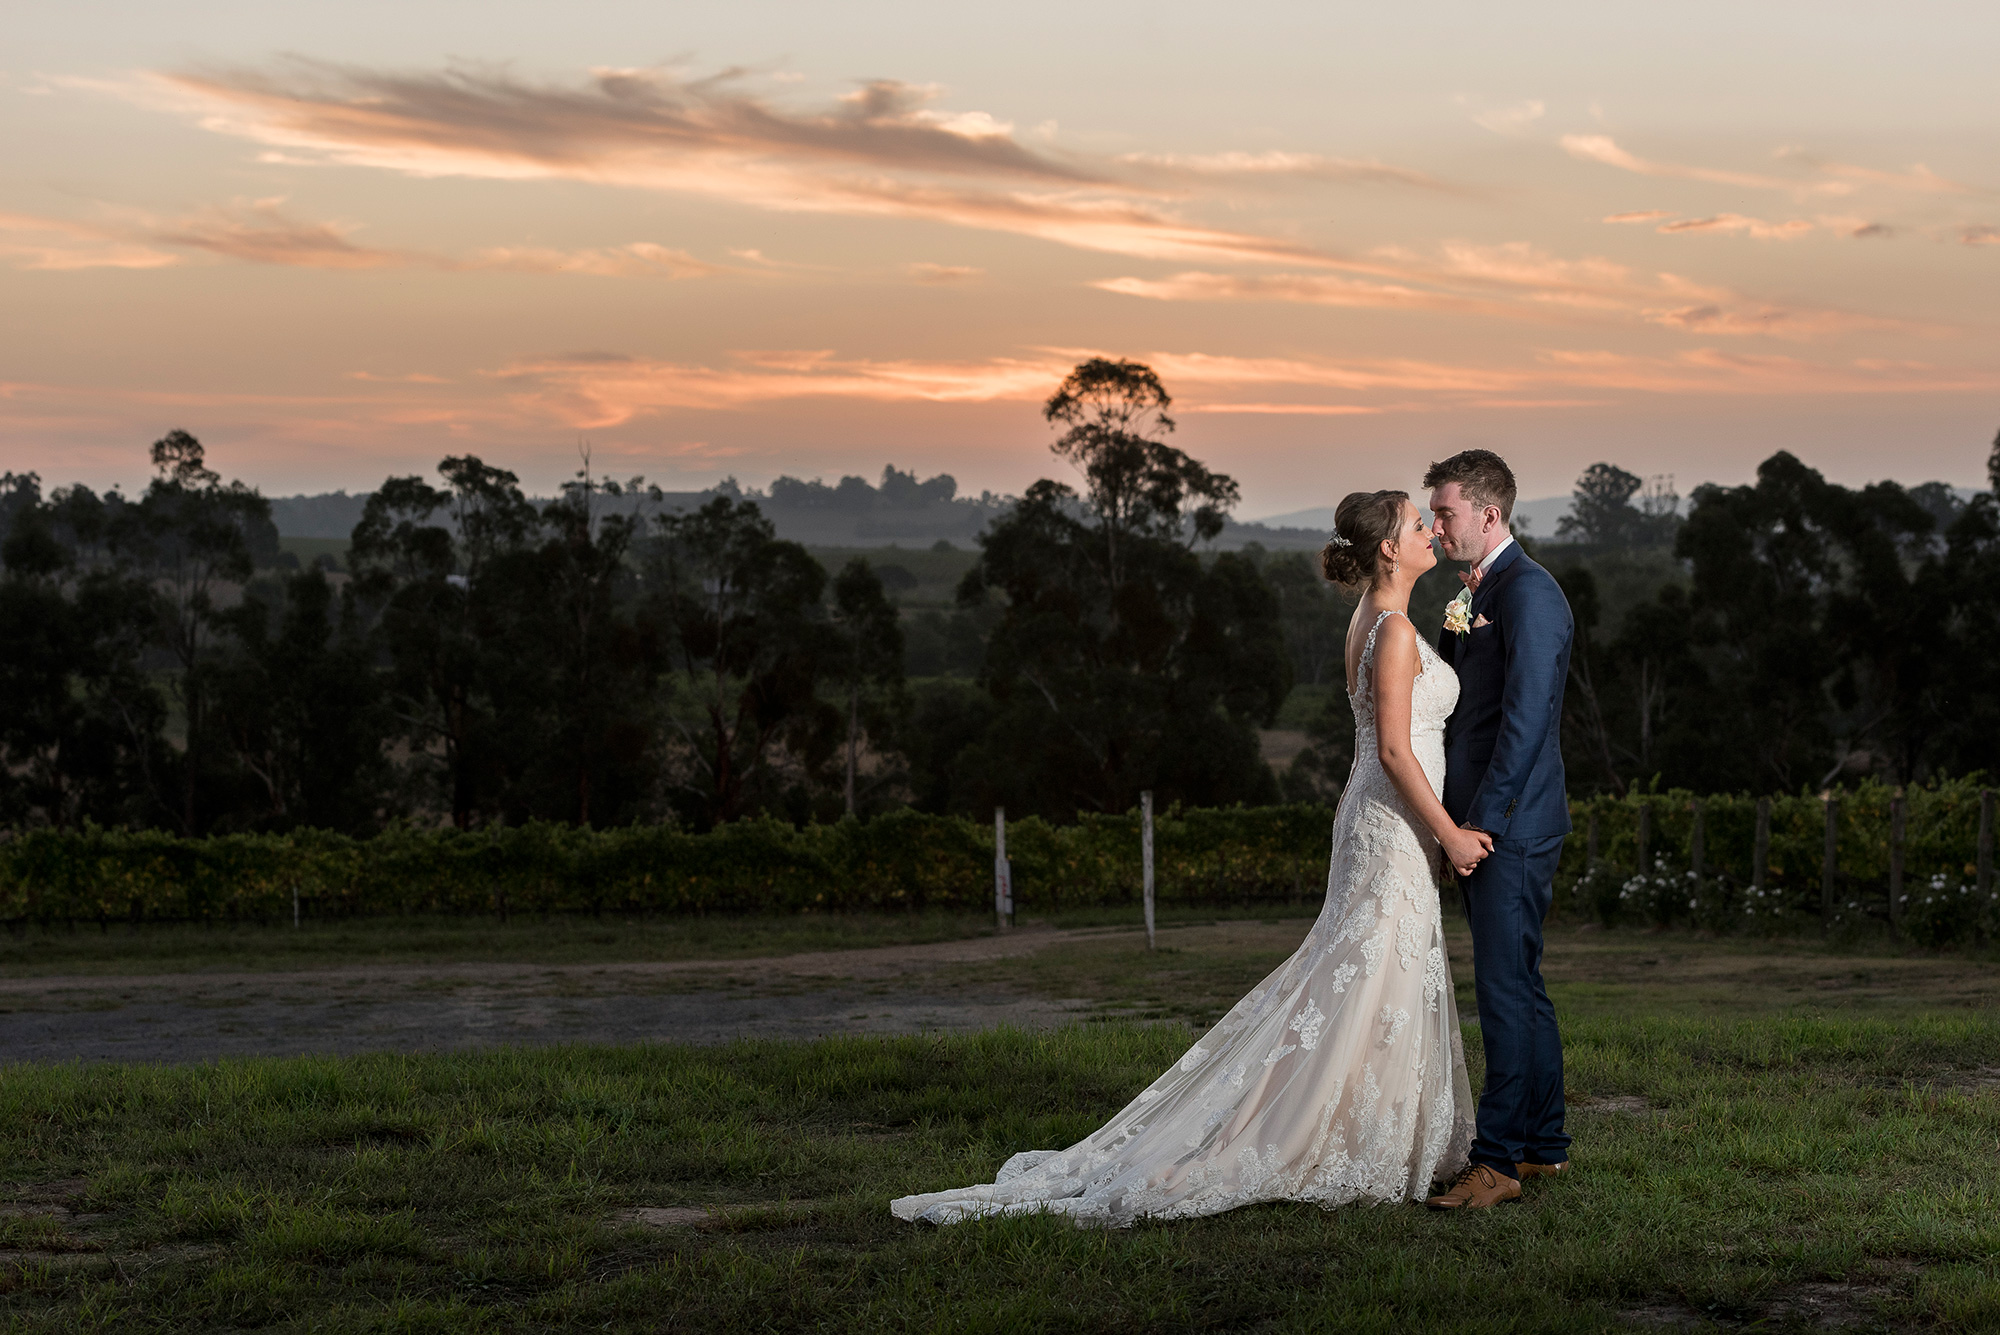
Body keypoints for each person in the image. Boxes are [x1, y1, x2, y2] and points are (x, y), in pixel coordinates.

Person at [891, 489, 1486, 1227]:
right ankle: (1297, 1135)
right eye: (1416, 524)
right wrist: (1452, 833)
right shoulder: (1391, 630)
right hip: (1392, 819)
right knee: (1362, 975)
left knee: (1357, 979)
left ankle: (1357, 1124)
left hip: (1377, 819)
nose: (1432, 530)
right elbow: (1396, 749)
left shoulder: (1371, 617)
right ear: (1390, 549)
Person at [1420, 449, 1575, 1210]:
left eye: (1445, 512)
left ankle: (1500, 1161)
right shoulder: (1476, 593)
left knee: (1505, 991)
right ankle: (1544, 1146)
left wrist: (1476, 824)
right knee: (1522, 984)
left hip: (1507, 825)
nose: (1435, 525)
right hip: (1493, 820)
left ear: (1489, 512)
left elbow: (1524, 721)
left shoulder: (1530, 593)